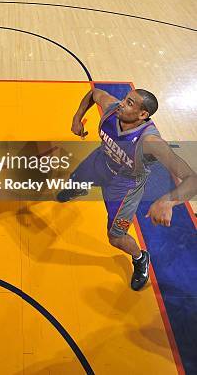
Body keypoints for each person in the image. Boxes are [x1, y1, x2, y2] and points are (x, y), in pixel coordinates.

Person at [56, 87, 197, 290]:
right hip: (102, 161)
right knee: (75, 179)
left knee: (116, 237)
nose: (122, 103)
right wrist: (77, 118)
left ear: (143, 115)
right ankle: (79, 187)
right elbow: (94, 93)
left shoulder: (150, 142)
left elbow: (192, 179)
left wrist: (168, 201)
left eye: (129, 103)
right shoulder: (112, 109)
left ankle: (140, 258)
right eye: (125, 99)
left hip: (124, 186)